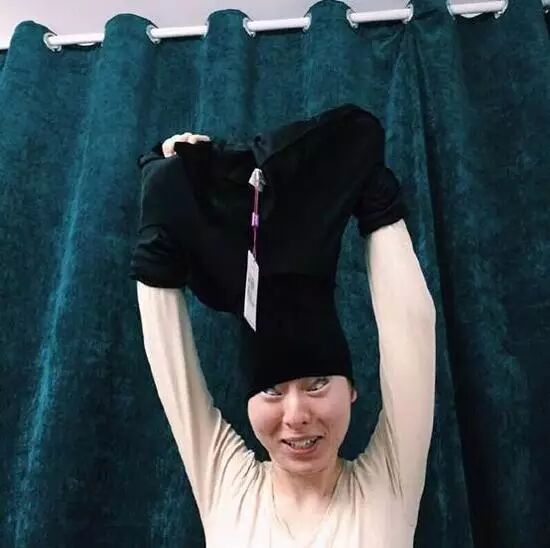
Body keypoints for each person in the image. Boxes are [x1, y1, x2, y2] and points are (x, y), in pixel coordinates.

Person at [135, 128, 436, 547]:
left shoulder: (388, 486)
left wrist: (373, 197)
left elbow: (413, 326)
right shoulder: (226, 485)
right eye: (272, 392)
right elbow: (169, 361)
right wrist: (162, 200)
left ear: (352, 390)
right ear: (249, 403)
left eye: (317, 385)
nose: (296, 416)